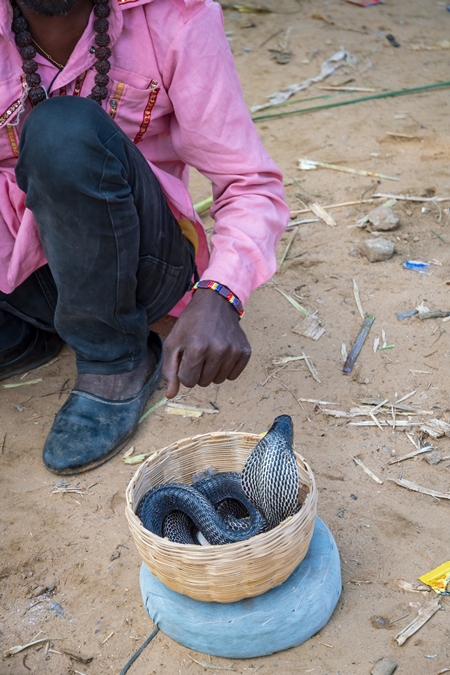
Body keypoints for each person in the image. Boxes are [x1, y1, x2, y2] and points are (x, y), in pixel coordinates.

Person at [0, 0, 289, 475]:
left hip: (139, 266)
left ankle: (113, 358)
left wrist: (220, 293)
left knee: (61, 131)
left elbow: (249, 183)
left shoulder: (179, 17)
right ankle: (22, 332)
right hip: (22, 276)